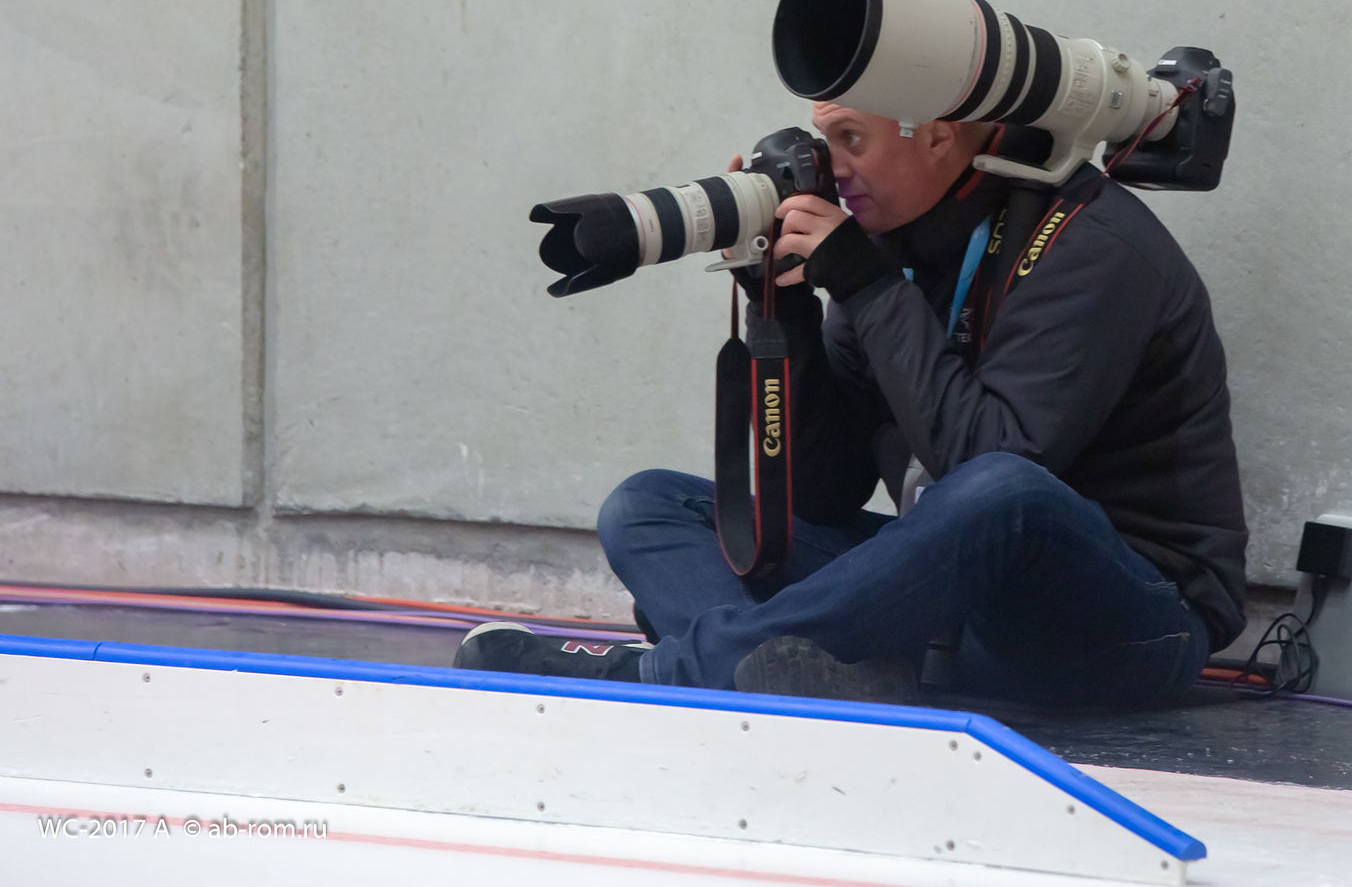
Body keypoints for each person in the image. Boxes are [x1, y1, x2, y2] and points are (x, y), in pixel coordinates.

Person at [454, 104, 1249, 707]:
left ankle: (693, 667)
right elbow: (824, 493)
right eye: (824, 139)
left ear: (937, 135)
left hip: (1124, 624)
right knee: (648, 505)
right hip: (948, 614)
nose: (832, 169)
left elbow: (995, 462)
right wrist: (784, 309)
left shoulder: (1091, 241)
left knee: (1005, 489)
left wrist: (866, 286)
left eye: (852, 140)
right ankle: (806, 670)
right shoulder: (888, 245)